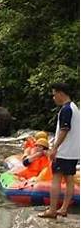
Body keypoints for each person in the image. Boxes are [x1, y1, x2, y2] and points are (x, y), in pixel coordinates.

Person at [39, 83, 80, 218]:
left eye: (54, 94)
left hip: (64, 151)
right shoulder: (75, 108)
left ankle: (52, 210)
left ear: (61, 93)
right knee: (69, 180)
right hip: (74, 152)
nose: (53, 97)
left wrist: (54, 148)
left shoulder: (66, 109)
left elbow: (64, 129)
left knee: (56, 179)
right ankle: (63, 209)